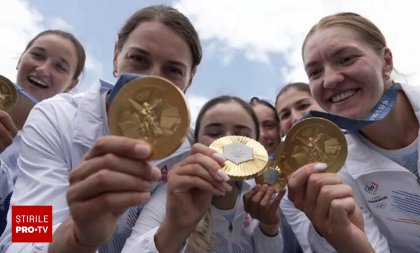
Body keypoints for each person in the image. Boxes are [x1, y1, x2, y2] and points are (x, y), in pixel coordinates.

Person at [0, 5, 202, 253]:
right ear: (116, 54)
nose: (152, 80)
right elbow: (23, 238)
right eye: (138, 59)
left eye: (173, 70)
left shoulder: (184, 155)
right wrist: (79, 237)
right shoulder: (54, 117)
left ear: (190, 79)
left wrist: (172, 232)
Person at [289, 12, 420, 252]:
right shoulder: (336, 172)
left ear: (386, 61)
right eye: (315, 72)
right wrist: (347, 241)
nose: (330, 80)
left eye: (346, 59)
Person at [122, 95, 284, 252]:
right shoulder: (174, 194)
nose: (227, 143)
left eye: (242, 136)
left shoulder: (259, 198)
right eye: (214, 133)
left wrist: (269, 227)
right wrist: (174, 229)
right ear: (196, 143)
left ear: (257, 147)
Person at [0, 29, 86, 234]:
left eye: (60, 67)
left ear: (71, 85)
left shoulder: (67, 155)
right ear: (20, 59)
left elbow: (29, 235)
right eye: (37, 55)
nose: (43, 68)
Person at [250, 96, 304, 253]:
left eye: (269, 125)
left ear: (280, 129)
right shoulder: (237, 186)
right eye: (253, 127)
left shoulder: (303, 166)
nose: (261, 135)